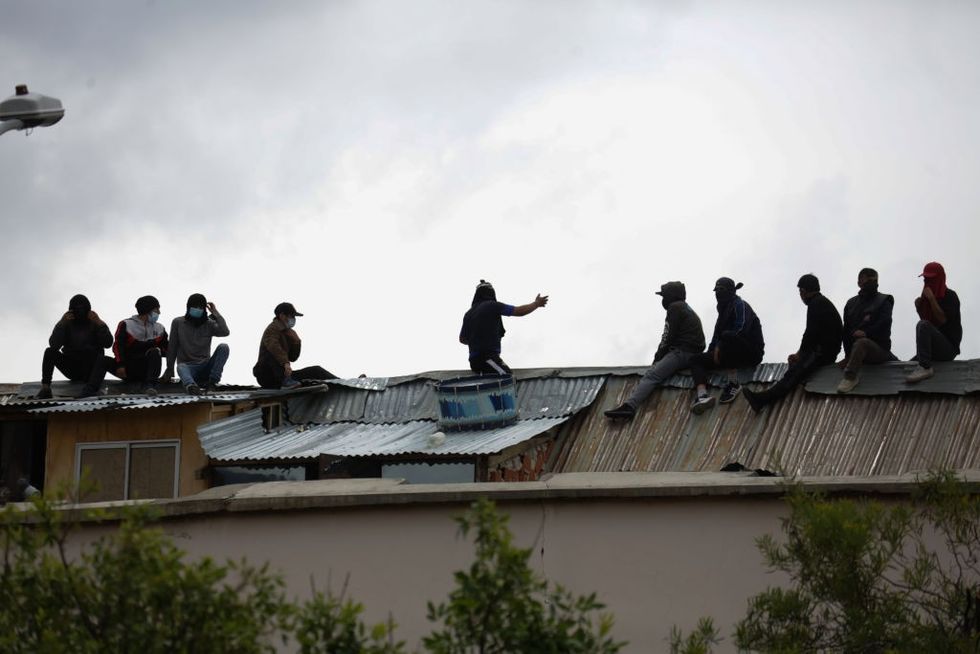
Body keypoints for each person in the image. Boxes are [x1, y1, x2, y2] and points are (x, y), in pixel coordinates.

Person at [604, 281, 706, 420]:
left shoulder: (675, 308)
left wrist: (657, 358)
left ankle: (630, 407)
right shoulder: (687, 308)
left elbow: (667, 336)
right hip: (693, 353)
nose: (663, 300)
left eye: (664, 296)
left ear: (671, 296)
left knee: (652, 375)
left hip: (682, 352)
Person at [743, 274, 842, 412]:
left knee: (794, 374)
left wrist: (800, 354)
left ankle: (762, 400)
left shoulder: (816, 304)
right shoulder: (821, 302)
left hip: (822, 353)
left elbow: (810, 333)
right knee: (794, 369)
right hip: (824, 350)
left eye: (800, 292)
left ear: (804, 291)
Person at [689, 277, 765, 414]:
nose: (718, 293)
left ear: (730, 291)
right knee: (695, 359)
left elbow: (741, 329)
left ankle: (733, 383)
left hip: (751, 351)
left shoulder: (740, 305)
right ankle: (702, 396)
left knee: (728, 336)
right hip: (728, 353)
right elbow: (715, 338)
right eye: (716, 290)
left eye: (721, 290)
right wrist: (710, 355)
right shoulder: (722, 313)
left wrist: (720, 346)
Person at [459, 280, 549, 374]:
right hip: (487, 358)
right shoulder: (492, 306)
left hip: (474, 361)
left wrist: (476, 339)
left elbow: (462, 339)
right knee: (508, 378)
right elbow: (519, 311)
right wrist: (536, 304)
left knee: (493, 383)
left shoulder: (468, 314)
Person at [36, 294, 114, 399]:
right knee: (49, 352)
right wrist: (61, 323)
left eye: (82, 309)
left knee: (97, 356)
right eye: (77, 309)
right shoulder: (67, 323)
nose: (80, 311)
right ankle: (45, 388)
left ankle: (90, 389)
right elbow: (53, 345)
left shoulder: (94, 322)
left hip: (91, 370)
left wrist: (100, 323)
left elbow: (108, 343)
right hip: (72, 367)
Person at [837, 268, 896, 393]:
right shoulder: (851, 304)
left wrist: (867, 333)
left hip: (879, 350)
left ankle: (850, 377)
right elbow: (846, 330)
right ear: (859, 283)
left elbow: (885, 323)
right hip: (855, 353)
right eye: (867, 280)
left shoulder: (884, 300)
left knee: (862, 342)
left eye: (873, 280)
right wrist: (848, 355)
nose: (871, 283)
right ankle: (851, 361)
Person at [253, 302, 335, 389]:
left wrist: (297, 342)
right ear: (282, 316)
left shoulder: (289, 332)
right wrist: (286, 363)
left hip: (285, 376)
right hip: (267, 376)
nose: (293, 319)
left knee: (316, 370)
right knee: (271, 352)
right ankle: (285, 382)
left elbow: (293, 358)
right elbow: (274, 347)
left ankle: (345, 383)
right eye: (291, 316)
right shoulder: (272, 329)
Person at [162, 293, 231, 395]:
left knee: (224, 347)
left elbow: (225, 332)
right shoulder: (178, 322)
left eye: (200, 307)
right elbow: (172, 347)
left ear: (204, 309)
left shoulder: (209, 323)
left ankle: (212, 383)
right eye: (195, 307)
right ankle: (191, 386)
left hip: (206, 366)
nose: (197, 309)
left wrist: (216, 313)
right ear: (188, 307)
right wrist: (169, 369)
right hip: (189, 368)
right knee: (181, 366)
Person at [906, 262, 962, 383]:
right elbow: (928, 325)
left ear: (939, 278)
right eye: (926, 279)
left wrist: (931, 299)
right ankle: (923, 364)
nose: (927, 282)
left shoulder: (950, 296)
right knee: (903, 368)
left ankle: (925, 368)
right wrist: (919, 309)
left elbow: (942, 320)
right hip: (932, 349)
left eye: (931, 279)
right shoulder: (925, 297)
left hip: (948, 349)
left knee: (923, 325)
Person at [111, 295, 168, 396]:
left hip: (147, 370)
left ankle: (150, 386)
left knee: (155, 351)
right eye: (157, 309)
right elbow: (117, 346)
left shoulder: (160, 329)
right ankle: (89, 389)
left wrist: (170, 369)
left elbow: (167, 350)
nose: (159, 312)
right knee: (102, 360)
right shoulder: (127, 324)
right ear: (148, 310)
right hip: (128, 369)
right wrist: (120, 365)